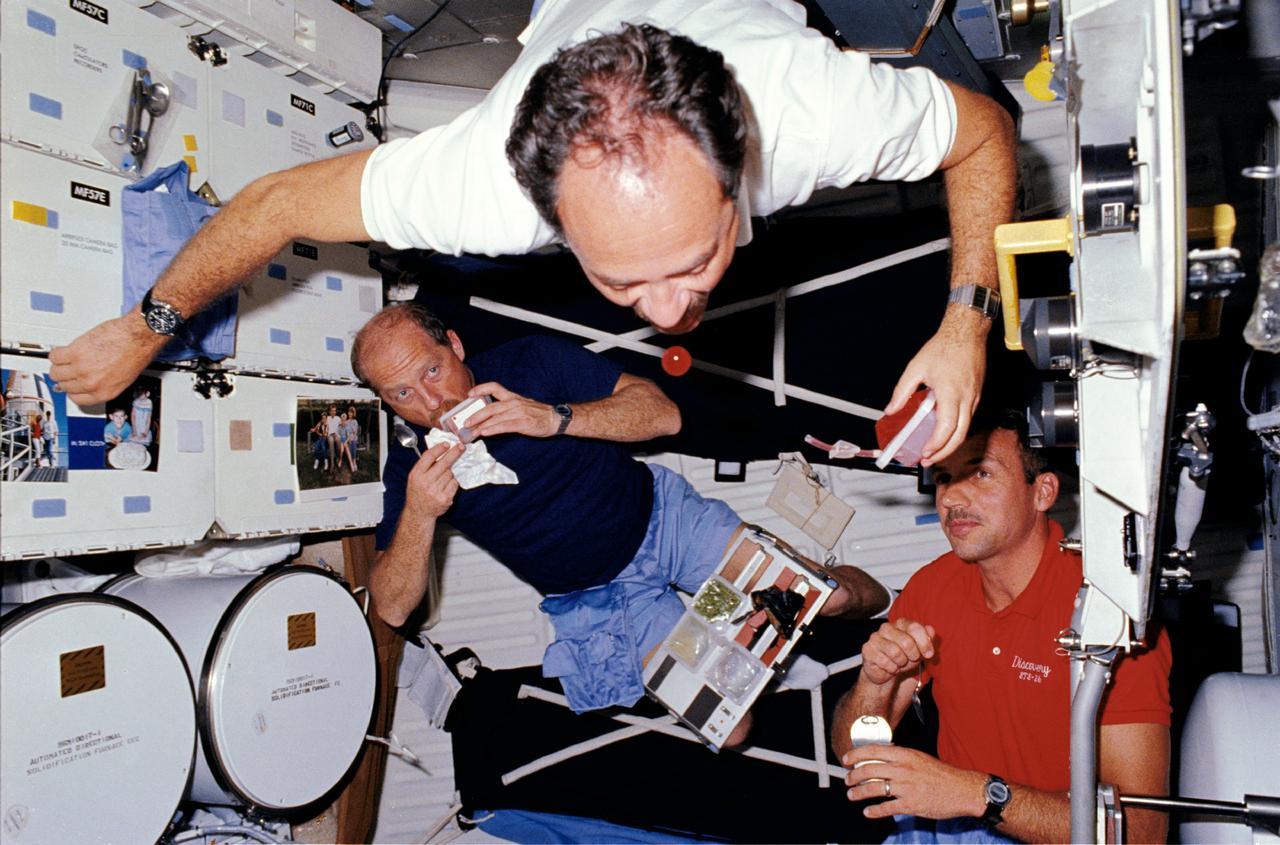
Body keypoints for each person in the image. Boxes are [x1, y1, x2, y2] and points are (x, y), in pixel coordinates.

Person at [49, 0, 1016, 467]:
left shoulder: (809, 110)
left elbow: (983, 135)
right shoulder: (483, 189)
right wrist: (146, 327)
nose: (676, 313)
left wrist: (966, 318)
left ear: (740, 168)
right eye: (624, 283)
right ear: (551, 217)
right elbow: (274, 205)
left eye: (696, 258)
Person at [357, 303, 891, 719]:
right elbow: (394, 608)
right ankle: (735, 644)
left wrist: (553, 418)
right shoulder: (408, 469)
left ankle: (876, 606)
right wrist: (420, 513)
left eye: (433, 369)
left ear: (454, 344)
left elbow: (664, 415)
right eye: (402, 392)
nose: (433, 403)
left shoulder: (530, 362)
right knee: (732, 724)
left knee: (830, 598)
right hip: (595, 602)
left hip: (664, 522)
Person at [832, 410, 1172, 843]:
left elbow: (1142, 833)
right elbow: (854, 756)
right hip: (951, 829)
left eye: (980, 474)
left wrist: (976, 794)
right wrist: (873, 684)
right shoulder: (933, 587)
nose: (952, 497)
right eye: (943, 478)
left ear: (1043, 492)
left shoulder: (1112, 612)